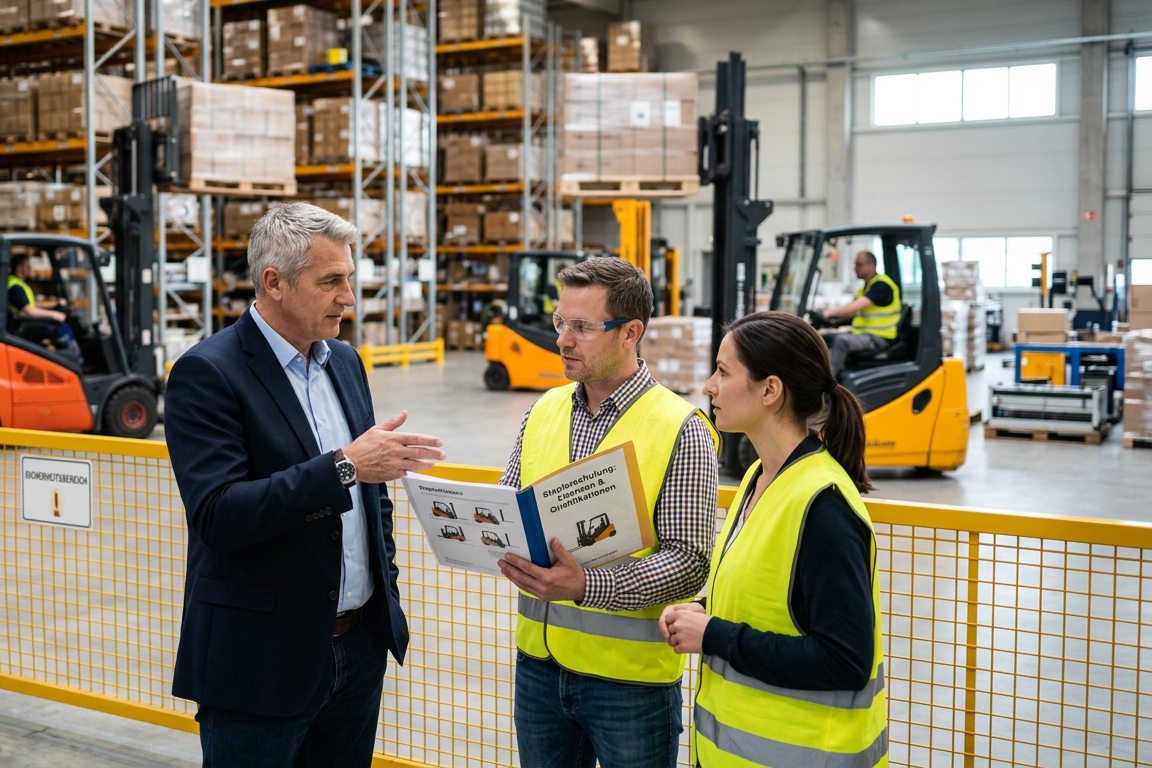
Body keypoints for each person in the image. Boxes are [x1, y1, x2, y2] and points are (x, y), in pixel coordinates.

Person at [164, 202, 446, 768]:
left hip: (357, 646)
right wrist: (343, 466)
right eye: (331, 281)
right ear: (274, 283)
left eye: (349, 278)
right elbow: (219, 515)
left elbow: (373, 500)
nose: (348, 296)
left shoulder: (344, 361)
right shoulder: (209, 373)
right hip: (262, 660)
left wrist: (379, 591)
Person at [495, 256, 720, 768]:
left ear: (629, 332)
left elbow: (689, 561)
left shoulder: (680, 427)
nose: (563, 340)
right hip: (539, 667)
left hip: (629, 684)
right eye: (560, 322)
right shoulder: (542, 411)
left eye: (582, 327)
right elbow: (511, 507)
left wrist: (584, 586)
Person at [661, 311, 888, 768]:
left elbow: (844, 659)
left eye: (724, 373)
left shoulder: (824, 506)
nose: (709, 385)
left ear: (770, 390)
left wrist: (715, 635)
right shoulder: (757, 478)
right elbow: (774, 600)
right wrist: (705, 610)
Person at [816, 250, 901, 375]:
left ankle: (827, 380)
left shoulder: (882, 285)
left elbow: (853, 308)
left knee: (842, 341)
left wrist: (828, 313)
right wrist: (829, 322)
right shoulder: (865, 288)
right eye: (855, 265)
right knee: (824, 337)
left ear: (872, 265)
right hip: (864, 334)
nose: (855, 268)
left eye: (859, 264)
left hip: (879, 339)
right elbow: (851, 314)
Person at [6, 252, 82, 360]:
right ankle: (78, 362)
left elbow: (32, 306)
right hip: (25, 326)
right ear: (19, 268)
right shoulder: (15, 287)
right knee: (64, 328)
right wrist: (54, 314)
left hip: (27, 324)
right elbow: (29, 310)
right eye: (27, 266)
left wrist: (55, 306)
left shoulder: (19, 284)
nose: (30, 268)